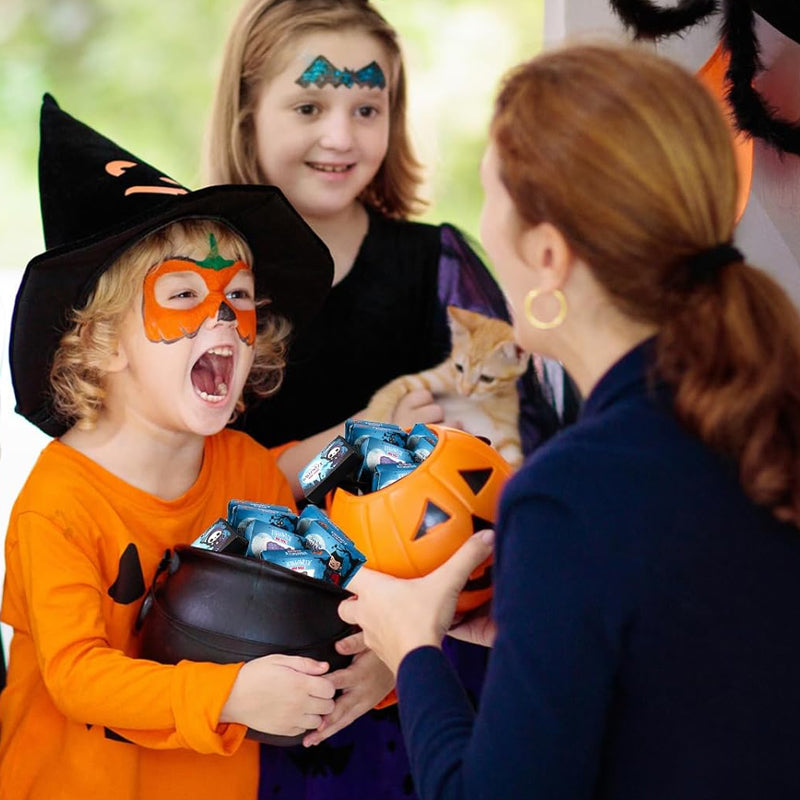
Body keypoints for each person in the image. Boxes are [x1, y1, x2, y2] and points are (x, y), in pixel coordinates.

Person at [338, 42, 800, 800]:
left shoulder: (569, 494)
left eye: (488, 195)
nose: (479, 225)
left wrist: (414, 649)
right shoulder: (759, 416)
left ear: (549, 256)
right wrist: (537, 623)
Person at [203, 2, 578, 798]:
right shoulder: (199, 280)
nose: (341, 137)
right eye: (309, 107)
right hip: (252, 673)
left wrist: (402, 653)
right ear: (246, 111)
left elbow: (521, 480)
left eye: (367, 108)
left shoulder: (437, 267)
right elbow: (181, 492)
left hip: (426, 677)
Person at [0, 94, 340, 799]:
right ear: (101, 345)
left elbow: (317, 599)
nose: (223, 314)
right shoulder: (58, 501)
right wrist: (228, 695)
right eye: (183, 295)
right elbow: (77, 678)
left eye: (239, 297)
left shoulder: (245, 468)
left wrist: (372, 670)